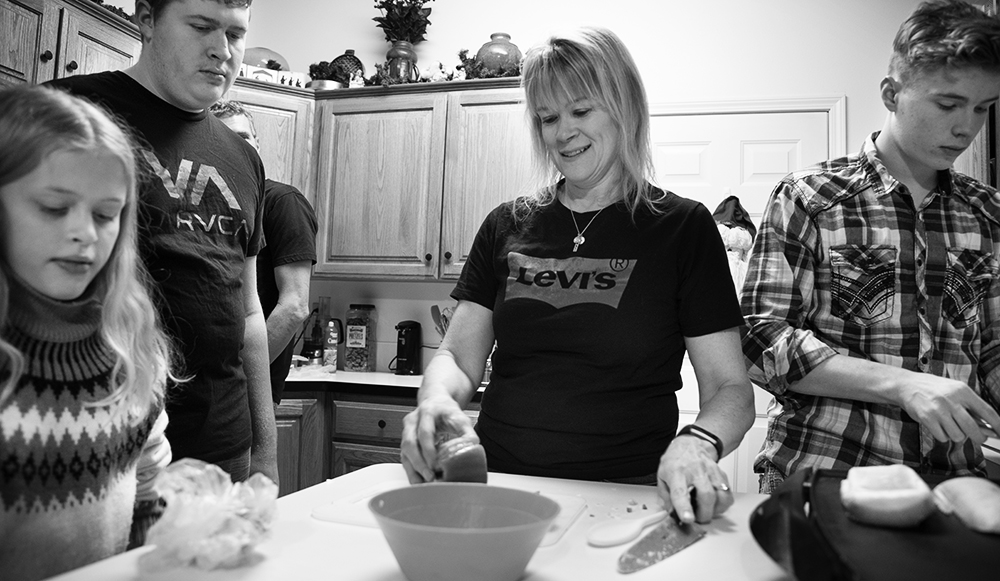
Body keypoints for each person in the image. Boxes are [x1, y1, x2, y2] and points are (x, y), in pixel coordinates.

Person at [400, 26, 755, 524]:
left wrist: (698, 444)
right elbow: (458, 357)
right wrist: (436, 399)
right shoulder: (508, 223)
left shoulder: (681, 228)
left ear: (624, 108)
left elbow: (730, 390)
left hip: (625, 495)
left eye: (581, 110)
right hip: (502, 486)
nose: (562, 132)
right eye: (548, 117)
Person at [741, 0, 1000, 494]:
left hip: (956, 482)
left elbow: (992, 347)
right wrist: (903, 384)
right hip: (827, 470)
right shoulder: (810, 198)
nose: (966, 127)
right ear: (891, 94)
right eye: (948, 104)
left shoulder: (990, 214)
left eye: (983, 108)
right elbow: (759, 337)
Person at [47, 0, 277, 484]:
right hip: (92, 439)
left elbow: (250, 313)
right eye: (201, 27)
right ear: (146, 19)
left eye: (235, 35)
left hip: (221, 447)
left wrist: (266, 453)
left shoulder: (242, 158)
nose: (222, 51)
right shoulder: (66, 113)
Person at [0, 85, 177, 580]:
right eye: (55, 208)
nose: (86, 234)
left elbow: (148, 483)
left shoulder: (131, 347)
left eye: (106, 215)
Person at [210, 100, 318, 405]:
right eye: (223, 138)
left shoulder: (282, 201)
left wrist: (237, 377)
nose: (237, 147)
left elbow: (294, 305)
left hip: (244, 389)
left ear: (257, 144)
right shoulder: (213, 208)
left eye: (243, 137)